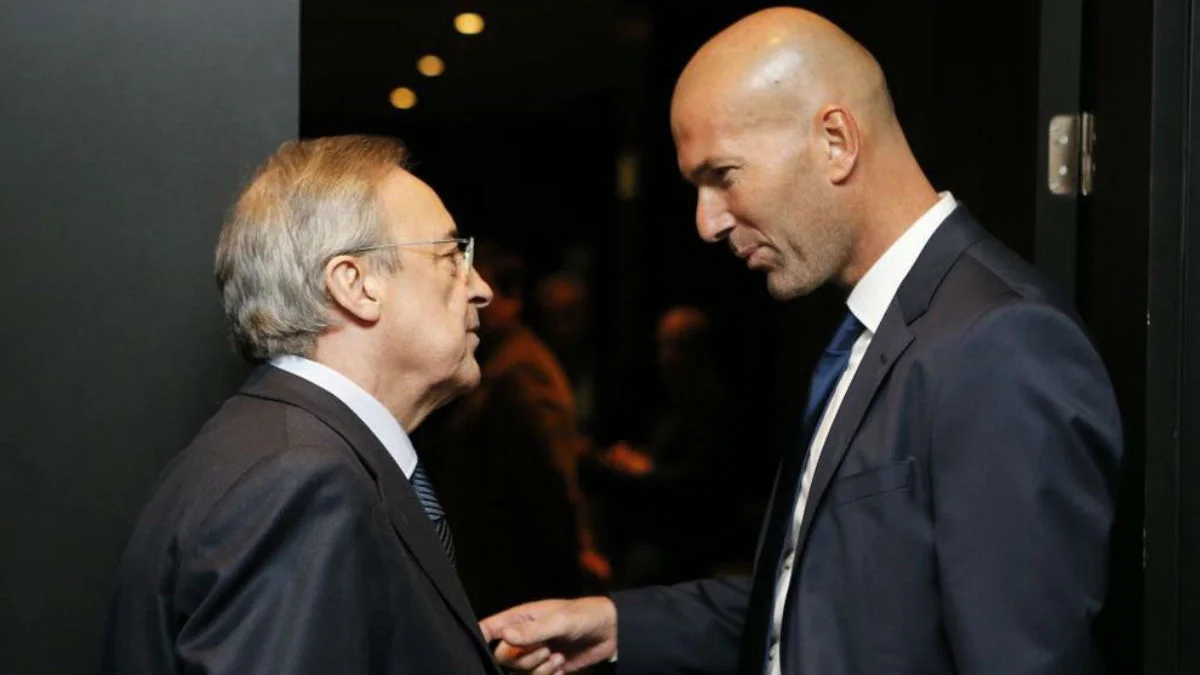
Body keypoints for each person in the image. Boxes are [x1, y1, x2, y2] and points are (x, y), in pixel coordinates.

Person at [480, 8, 1122, 675]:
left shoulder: (1000, 342)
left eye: (723, 175)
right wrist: (617, 624)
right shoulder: (872, 329)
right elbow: (817, 606)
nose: (706, 223)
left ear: (836, 141)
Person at [102, 135, 501, 674]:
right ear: (356, 285)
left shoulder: (274, 449)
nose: (481, 288)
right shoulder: (302, 482)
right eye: (451, 257)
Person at [420, 242, 609, 619]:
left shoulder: (523, 370)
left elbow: (553, 480)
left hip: (518, 578)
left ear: (510, 296)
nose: (467, 298)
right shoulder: (500, 363)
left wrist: (572, 563)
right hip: (498, 570)